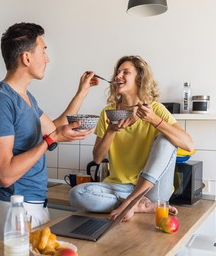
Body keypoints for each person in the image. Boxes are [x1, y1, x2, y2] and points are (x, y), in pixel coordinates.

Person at [0, 22, 98, 243]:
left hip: (34, 205)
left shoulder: (27, 98)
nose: (47, 58)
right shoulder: (0, 102)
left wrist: (82, 91)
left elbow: (54, 129)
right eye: (43, 51)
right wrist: (52, 139)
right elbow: (5, 175)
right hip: (14, 208)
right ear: (26, 58)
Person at [69, 55, 194, 221]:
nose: (118, 76)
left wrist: (154, 120)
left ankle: (131, 202)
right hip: (118, 186)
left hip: (152, 190)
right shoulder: (108, 113)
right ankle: (138, 205)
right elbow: (97, 158)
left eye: (125, 72)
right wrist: (111, 131)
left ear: (139, 79)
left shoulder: (155, 109)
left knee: (166, 138)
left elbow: (188, 145)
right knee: (77, 194)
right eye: (117, 72)